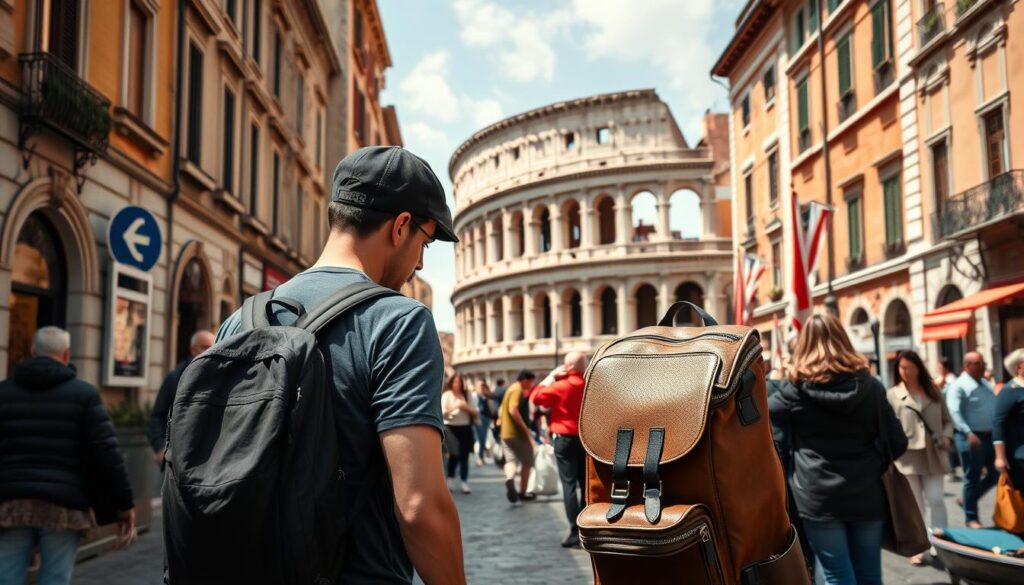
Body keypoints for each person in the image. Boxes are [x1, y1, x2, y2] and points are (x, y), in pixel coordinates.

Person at [215, 146, 465, 585]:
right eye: (424, 242)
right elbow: (419, 506)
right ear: (401, 225)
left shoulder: (241, 320)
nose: (420, 263)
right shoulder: (400, 320)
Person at [768, 314, 907, 585]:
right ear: (844, 340)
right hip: (867, 490)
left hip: (817, 493)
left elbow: (766, 421)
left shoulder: (792, 391)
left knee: (836, 574)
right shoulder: (871, 387)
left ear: (804, 345)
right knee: (869, 575)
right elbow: (898, 442)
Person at [0, 327, 136, 585]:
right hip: (63, 507)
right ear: (66, 355)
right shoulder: (84, 394)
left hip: (11, 503)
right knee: (55, 579)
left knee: (6, 576)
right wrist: (124, 504)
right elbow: (107, 453)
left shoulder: (4, 392)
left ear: (32, 352)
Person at [887, 350, 953, 566]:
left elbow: (948, 420)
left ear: (919, 367)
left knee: (936, 499)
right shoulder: (892, 394)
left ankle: (942, 544)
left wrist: (946, 436)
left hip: (933, 453)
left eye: (910, 367)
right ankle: (918, 547)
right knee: (915, 505)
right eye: (901, 368)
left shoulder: (933, 391)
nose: (906, 372)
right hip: (907, 457)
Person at [530, 352, 588, 547]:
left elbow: (536, 397)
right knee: (585, 484)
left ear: (568, 366)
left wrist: (551, 375)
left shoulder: (560, 386)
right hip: (586, 439)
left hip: (564, 439)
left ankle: (574, 530)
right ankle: (586, 527)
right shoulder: (590, 385)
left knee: (569, 485)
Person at [148, 330, 215, 468]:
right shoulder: (175, 378)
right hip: (178, 460)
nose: (210, 351)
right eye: (205, 347)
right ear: (193, 349)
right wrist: (160, 448)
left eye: (213, 346)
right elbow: (157, 417)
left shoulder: (219, 375)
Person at [947, 350, 998, 528]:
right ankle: (971, 518)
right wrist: (968, 433)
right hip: (970, 438)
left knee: (996, 473)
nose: (983, 366)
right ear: (967, 366)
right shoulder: (958, 385)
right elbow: (954, 412)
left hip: (989, 436)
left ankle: (969, 499)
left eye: (983, 363)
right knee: (972, 477)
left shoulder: (984, 383)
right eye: (979, 363)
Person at [498, 370, 537, 505]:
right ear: (525, 379)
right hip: (517, 434)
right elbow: (512, 409)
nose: (532, 385)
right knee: (527, 461)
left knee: (510, 460)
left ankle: (509, 479)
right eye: (531, 381)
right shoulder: (517, 389)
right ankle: (523, 492)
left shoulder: (510, 388)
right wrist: (526, 430)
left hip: (505, 433)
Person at [442, 374, 478, 494]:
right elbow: (442, 412)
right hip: (450, 427)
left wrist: (465, 407)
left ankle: (464, 482)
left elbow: (475, 412)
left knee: (465, 455)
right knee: (454, 454)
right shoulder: (446, 395)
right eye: (455, 382)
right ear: (451, 383)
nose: (457, 384)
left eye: (459, 382)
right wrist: (455, 406)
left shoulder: (467, 395)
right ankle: (450, 479)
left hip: (465, 427)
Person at [994, 349, 1024, 491]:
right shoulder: (1009, 390)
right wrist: (1000, 457)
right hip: (1019, 455)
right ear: (1019, 367)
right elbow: (998, 422)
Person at [473, 381, 497, 466]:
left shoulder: (485, 397)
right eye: (480, 386)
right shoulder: (474, 396)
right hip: (478, 418)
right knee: (480, 438)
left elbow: (490, 408)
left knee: (484, 439)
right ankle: (479, 457)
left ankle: (481, 457)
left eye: (483, 386)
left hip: (486, 419)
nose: (481, 388)